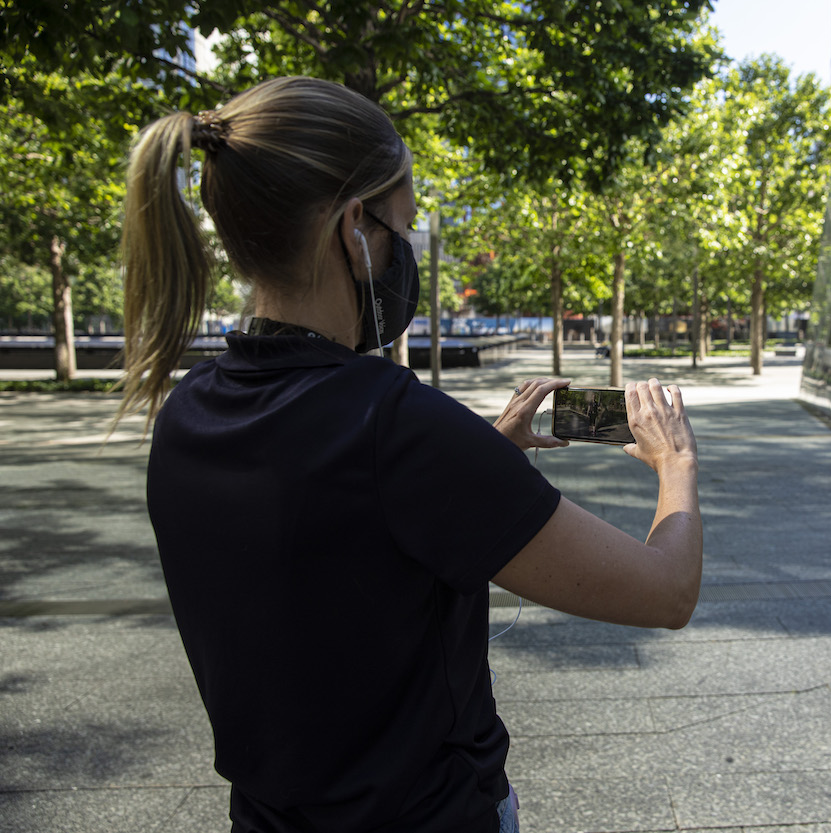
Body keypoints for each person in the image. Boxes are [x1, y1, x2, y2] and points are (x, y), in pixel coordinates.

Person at [116, 76, 702, 833]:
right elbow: (664, 592)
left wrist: (480, 457)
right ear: (354, 229)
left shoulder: (190, 409)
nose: (406, 253)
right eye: (403, 228)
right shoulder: (396, 425)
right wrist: (674, 462)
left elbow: (335, 543)